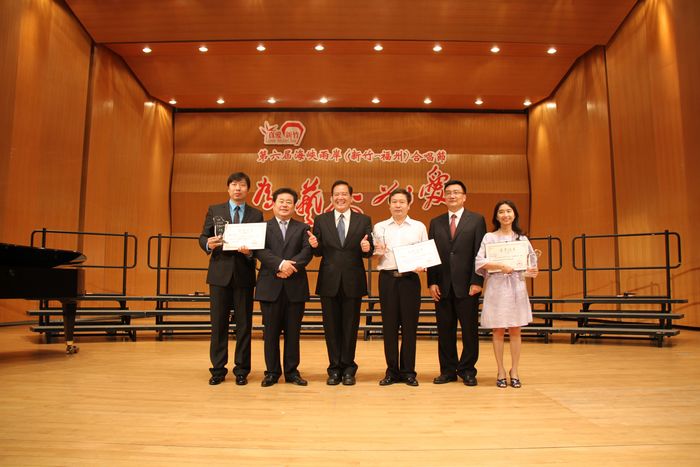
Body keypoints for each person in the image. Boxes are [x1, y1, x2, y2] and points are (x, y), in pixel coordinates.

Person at [199, 172, 263, 386]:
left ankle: (242, 370)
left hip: (244, 275)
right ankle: (218, 369)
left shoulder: (256, 214)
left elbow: (258, 245)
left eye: (242, 185)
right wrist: (208, 243)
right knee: (218, 324)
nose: (238, 188)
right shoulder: (215, 210)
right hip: (219, 276)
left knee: (244, 325)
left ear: (247, 189)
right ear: (228, 188)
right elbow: (203, 236)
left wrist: (250, 252)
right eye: (234, 185)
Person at [307, 180, 373, 386]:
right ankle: (334, 369)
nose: (340, 197)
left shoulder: (363, 220)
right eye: (337, 194)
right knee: (331, 327)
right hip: (329, 281)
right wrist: (314, 245)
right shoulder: (321, 220)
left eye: (344, 194)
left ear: (351, 198)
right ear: (331, 198)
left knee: (351, 327)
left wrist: (367, 248)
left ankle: (349, 368)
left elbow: (369, 250)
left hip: (353, 280)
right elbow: (318, 252)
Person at [427, 180, 486, 386]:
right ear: (443, 197)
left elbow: (480, 252)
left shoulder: (477, 220)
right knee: (445, 331)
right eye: (448, 193)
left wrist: (477, 280)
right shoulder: (436, 222)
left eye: (456, 192)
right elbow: (431, 254)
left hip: (468, 286)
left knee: (469, 331)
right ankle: (448, 370)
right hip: (442, 286)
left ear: (464, 197)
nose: (452, 196)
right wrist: (432, 282)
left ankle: (467, 370)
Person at [475, 200, 538, 389]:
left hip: (516, 287)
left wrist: (531, 270)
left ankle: (515, 370)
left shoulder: (522, 239)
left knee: (516, 329)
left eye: (509, 211)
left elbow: (531, 263)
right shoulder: (489, 237)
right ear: (496, 216)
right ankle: (501, 370)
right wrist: (500, 266)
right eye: (501, 212)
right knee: (498, 330)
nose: (505, 215)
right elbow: (479, 261)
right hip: (497, 287)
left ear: (514, 214)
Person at [255, 188, 313, 387]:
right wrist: (280, 265)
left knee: (293, 333)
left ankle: (291, 372)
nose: (285, 205)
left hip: (295, 287)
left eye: (289, 202)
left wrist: (289, 268)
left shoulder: (303, 227)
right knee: (270, 333)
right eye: (281, 201)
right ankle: (272, 372)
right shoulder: (263, 227)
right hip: (270, 286)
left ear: (295, 206)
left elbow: (307, 251)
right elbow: (260, 251)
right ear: (273, 204)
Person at [372, 188, 428, 386]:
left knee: (410, 327)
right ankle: (392, 371)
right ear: (389, 204)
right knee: (389, 327)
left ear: (409, 205)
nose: (398, 205)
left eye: (402, 202)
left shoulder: (418, 227)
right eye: (394, 201)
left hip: (410, 280)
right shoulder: (379, 227)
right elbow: (374, 255)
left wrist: (423, 264)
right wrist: (375, 251)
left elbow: (425, 254)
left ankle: (409, 372)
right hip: (387, 279)